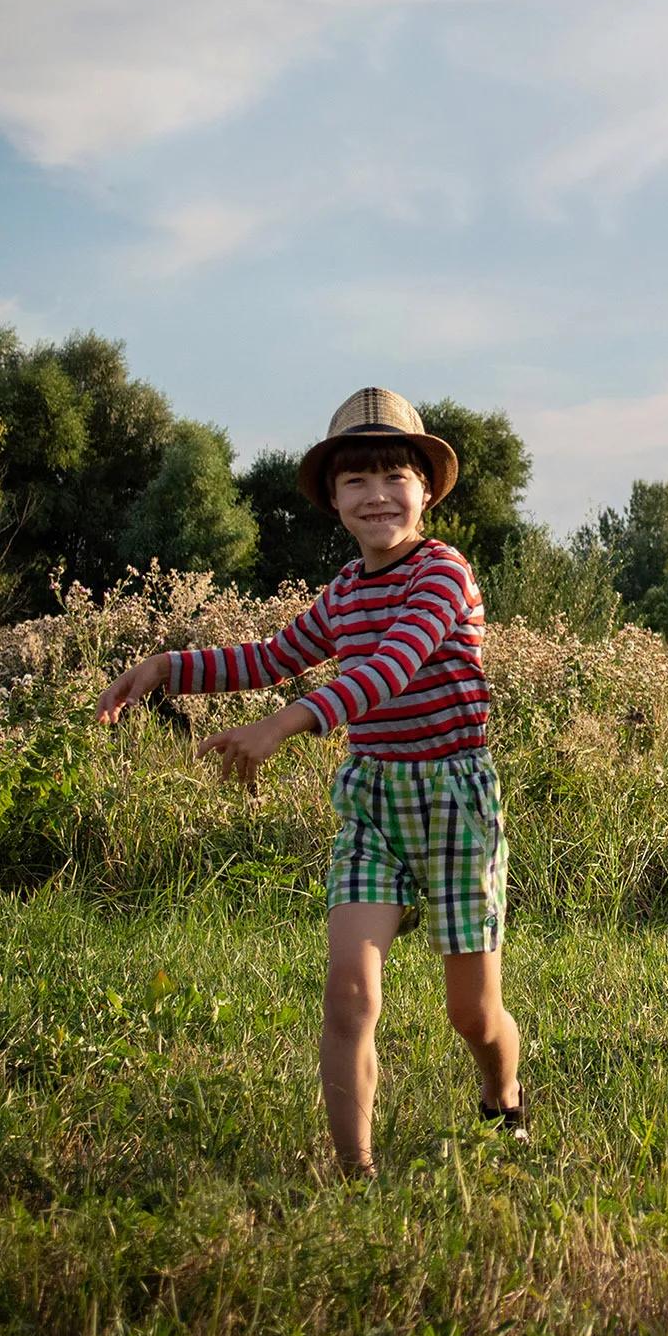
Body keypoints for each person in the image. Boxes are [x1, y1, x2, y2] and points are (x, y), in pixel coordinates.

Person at [96, 387, 522, 1178]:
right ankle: (355, 1173)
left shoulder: (443, 575)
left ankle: (504, 1103)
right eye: (354, 482)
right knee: (349, 995)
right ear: (333, 500)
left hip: (457, 804)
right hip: (375, 807)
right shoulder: (343, 594)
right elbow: (267, 655)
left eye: (395, 476)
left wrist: (283, 726)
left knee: (472, 1013)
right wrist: (165, 667)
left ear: (426, 490)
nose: (377, 495)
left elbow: (390, 670)